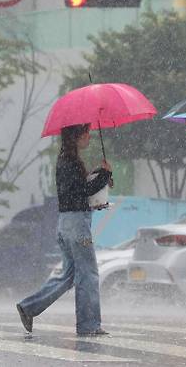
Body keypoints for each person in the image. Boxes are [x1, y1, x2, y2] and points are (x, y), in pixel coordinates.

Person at [16, 124, 112, 336]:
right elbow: (83, 191)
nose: (89, 137)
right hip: (78, 227)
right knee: (88, 274)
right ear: (77, 137)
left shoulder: (65, 161)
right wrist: (104, 175)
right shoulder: (71, 162)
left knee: (68, 275)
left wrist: (100, 175)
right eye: (86, 132)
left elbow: (78, 190)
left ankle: (29, 308)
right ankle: (89, 325)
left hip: (66, 224)